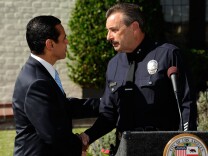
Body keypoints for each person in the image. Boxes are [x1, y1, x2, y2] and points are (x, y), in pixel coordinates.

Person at [80, 2, 197, 155]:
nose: (108, 37)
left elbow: (186, 105)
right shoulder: (113, 65)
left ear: (134, 27)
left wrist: (185, 146)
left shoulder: (167, 55)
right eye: (108, 31)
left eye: (114, 30)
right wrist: (88, 136)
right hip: (125, 149)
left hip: (161, 148)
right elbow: (109, 114)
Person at [12, 15, 99, 156]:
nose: (67, 42)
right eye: (64, 38)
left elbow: (62, 107)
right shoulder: (37, 82)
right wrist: (79, 144)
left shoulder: (38, 72)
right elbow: (53, 135)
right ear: (50, 44)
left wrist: (103, 104)